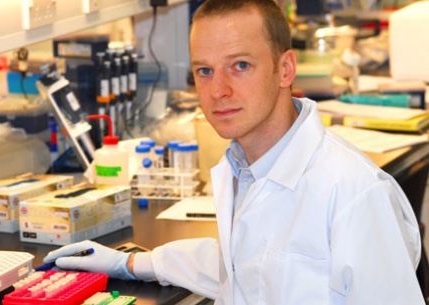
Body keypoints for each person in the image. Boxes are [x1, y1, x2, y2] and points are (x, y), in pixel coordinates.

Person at [43, 0, 426, 303]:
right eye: (204, 71)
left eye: (240, 65)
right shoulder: (244, 165)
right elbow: (248, 266)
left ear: (285, 69)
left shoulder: (353, 193)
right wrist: (131, 262)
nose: (218, 91)